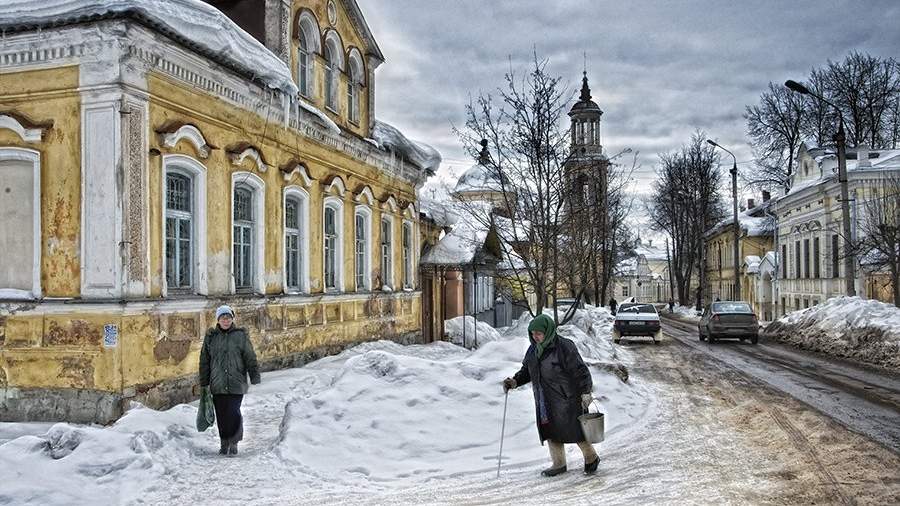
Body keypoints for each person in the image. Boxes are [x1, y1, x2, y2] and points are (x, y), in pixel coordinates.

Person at [502, 314, 599, 477]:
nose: (535, 337)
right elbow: (527, 370)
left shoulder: (564, 346)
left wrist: (585, 392)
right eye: (532, 334)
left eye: (538, 333)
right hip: (544, 398)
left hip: (567, 397)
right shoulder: (533, 349)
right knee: (550, 430)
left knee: (575, 430)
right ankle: (559, 463)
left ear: (547, 331)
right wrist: (515, 381)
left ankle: (591, 457)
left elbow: (580, 371)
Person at [199, 305, 260, 456]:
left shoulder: (240, 336)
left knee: (233, 412)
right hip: (217, 382)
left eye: (228, 317)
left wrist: (254, 376)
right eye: (223, 318)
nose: (226, 320)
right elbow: (204, 360)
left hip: (236, 382)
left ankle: (234, 442)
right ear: (218, 320)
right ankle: (224, 442)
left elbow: (250, 356)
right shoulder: (211, 337)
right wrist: (204, 381)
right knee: (221, 414)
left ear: (232, 319)